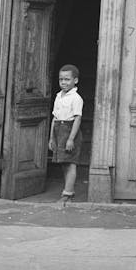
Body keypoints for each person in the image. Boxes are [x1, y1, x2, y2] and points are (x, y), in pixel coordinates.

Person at [48, 63, 83, 204]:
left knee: (70, 163)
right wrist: (51, 137)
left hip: (69, 131)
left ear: (75, 80)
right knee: (63, 163)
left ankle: (67, 194)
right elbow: (54, 118)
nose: (63, 82)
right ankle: (69, 190)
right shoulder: (58, 96)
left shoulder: (76, 98)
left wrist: (70, 139)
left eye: (67, 79)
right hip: (58, 129)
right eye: (61, 79)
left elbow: (77, 118)